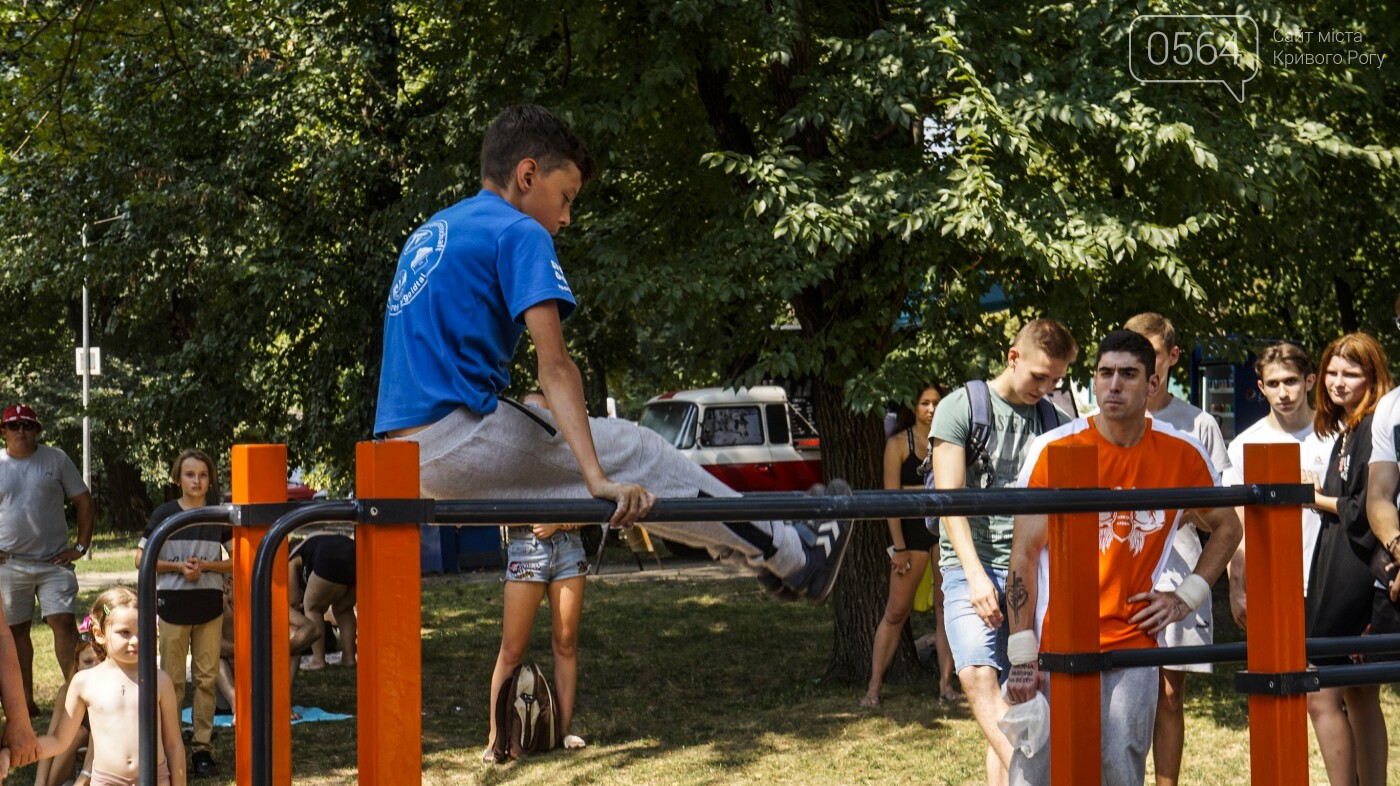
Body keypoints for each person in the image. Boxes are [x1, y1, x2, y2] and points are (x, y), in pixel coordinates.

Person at [373, 104, 851, 604]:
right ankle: (796, 557)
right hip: (456, 440)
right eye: (565, 197)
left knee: (612, 474)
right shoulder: (519, 232)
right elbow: (556, 367)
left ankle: (761, 544)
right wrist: (596, 475)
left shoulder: (435, 228)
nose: (565, 217)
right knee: (636, 453)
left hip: (402, 454)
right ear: (528, 174)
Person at [1004, 329, 1243, 786]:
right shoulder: (1056, 448)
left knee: (1120, 772)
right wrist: (1021, 652)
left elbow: (1229, 526)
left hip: (1134, 637)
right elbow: (1024, 556)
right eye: (1104, 373)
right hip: (1057, 637)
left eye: (1128, 374)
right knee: (1036, 776)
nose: (1113, 385)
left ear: (1153, 385)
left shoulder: (1181, 452)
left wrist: (1185, 597)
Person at [929, 318, 1077, 786]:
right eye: (1039, 377)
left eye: (1057, 380)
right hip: (969, 560)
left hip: (1032, 565)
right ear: (1013, 357)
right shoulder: (961, 406)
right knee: (975, 673)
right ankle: (1043, 776)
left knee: (1021, 688)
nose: (1047, 388)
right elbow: (948, 501)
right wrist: (973, 576)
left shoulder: (1055, 420)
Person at [1122, 312, 1231, 786]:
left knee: (1168, 692)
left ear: (1170, 358)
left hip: (1178, 569)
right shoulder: (1103, 419)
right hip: (1122, 574)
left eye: (1152, 356)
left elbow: (1225, 511)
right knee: (1122, 691)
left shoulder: (1196, 423)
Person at [1304, 332, 1392, 786]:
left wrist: (1314, 497)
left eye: (1351, 373)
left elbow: (1363, 506)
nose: (1338, 382)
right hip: (1344, 568)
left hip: (1358, 576)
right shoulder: (1349, 429)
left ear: (1373, 376)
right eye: (1332, 372)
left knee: (1322, 692)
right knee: (1360, 694)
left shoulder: (1373, 426)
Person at [862, 382, 959, 707]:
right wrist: (899, 546)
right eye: (925, 403)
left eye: (936, 403)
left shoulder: (949, 440)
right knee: (896, 612)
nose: (931, 409)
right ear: (913, 406)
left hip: (944, 534)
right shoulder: (897, 444)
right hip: (911, 538)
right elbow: (891, 501)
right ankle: (873, 689)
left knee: (946, 611)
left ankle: (946, 686)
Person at [30, 585, 186, 786]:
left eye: (142, 630)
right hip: (106, 781)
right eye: (125, 632)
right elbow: (60, 741)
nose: (135, 640)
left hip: (155, 778)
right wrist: (19, 750)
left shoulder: (160, 681)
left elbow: (173, 744)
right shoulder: (84, 682)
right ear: (100, 633)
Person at [135, 450, 230, 779]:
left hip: (209, 605)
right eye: (190, 474)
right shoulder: (165, 513)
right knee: (172, 680)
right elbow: (141, 558)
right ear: (179, 478)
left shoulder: (220, 515)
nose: (197, 481)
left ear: (210, 478)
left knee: (206, 679)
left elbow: (238, 559)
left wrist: (207, 566)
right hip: (173, 606)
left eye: (203, 475)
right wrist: (178, 566)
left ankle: (202, 748)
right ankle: (168, 744)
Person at [0, 403, 94, 715]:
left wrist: (80, 547)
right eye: (14, 426)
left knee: (64, 622)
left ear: (37, 430)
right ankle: (24, 703)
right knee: (15, 631)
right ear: (4, 432)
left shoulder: (56, 459)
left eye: (27, 425)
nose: (21, 431)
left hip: (54, 562)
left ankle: (77, 696)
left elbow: (83, 501)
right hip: (10, 563)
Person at [1222, 343, 1333, 599]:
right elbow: (1236, 525)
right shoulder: (1244, 446)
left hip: (1332, 584)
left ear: (1309, 381)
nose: (1283, 393)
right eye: (1273, 384)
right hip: (1271, 583)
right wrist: (1237, 587)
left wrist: (1319, 498)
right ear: (1261, 387)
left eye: (1291, 381)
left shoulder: (1337, 435)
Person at [484, 515, 591, 763]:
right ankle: (494, 739)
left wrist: (562, 522)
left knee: (566, 643)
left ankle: (563, 731)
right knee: (512, 650)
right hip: (526, 547)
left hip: (569, 546)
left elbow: (596, 503)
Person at [34, 628, 102, 786]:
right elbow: (52, 736)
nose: (93, 669)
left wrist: (83, 779)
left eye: (100, 662)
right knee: (76, 733)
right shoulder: (67, 691)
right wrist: (40, 781)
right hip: (72, 763)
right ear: (77, 665)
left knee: (83, 732)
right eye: (87, 662)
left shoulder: (111, 694)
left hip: (100, 767)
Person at [289, 534, 356, 670]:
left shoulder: (292, 557)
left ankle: (318, 661)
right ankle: (349, 659)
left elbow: (293, 602)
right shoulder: (314, 543)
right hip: (357, 557)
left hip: (329, 557)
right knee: (343, 609)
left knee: (313, 607)